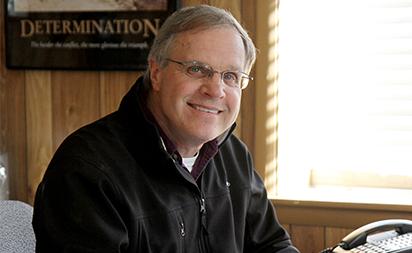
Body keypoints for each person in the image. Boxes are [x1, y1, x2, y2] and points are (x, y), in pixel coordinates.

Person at [32, 4, 300, 253]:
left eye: (230, 76)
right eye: (197, 69)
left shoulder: (233, 155)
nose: (215, 90)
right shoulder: (87, 171)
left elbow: (272, 245)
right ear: (156, 72)